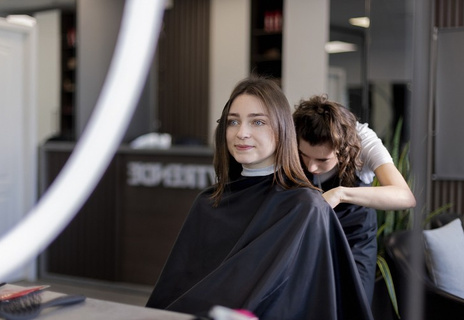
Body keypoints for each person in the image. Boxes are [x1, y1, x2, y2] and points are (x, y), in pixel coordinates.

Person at [146, 77, 374, 320]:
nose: (241, 133)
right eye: (233, 121)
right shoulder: (208, 202)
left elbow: (299, 301)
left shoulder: (305, 207)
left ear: (282, 129)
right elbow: (173, 293)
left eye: (257, 122)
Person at [292, 94, 416, 304]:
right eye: (304, 155)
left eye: (322, 160)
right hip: (306, 235)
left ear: (343, 149)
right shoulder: (290, 135)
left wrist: (342, 193)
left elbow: (404, 196)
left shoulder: (363, 140)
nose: (312, 167)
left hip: (354, 240)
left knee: (353, 305)